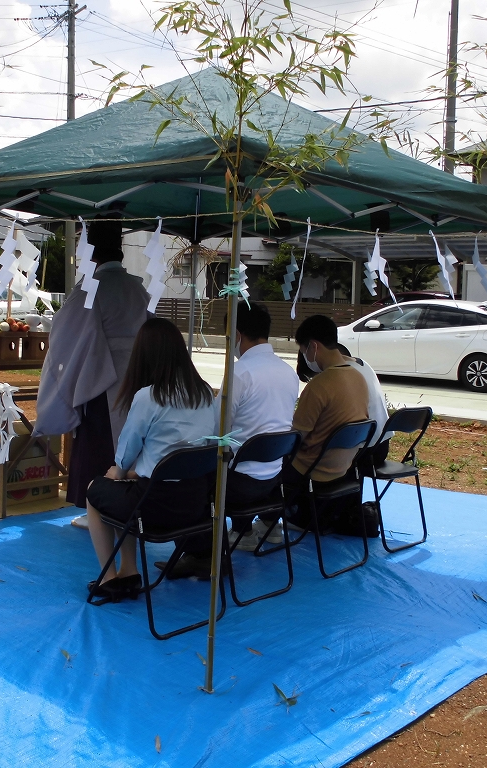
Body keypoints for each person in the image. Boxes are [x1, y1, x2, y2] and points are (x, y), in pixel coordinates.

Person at [84, 318, 217, 601]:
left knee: (96, 493)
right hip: (195, 505)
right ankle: (128, 571)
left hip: (154, 508)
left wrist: (119, 472)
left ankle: (110, 578)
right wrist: (131, 473)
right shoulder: (205, 392)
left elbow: (128, 447)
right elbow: (203, 448)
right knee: (127, 490)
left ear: (144, 355)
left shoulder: (149, 396)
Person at [167, 302, 300, 578]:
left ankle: (200, 554)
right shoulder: (288, 372)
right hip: (274, 479)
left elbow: (216, 431)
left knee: (186, 481)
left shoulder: (240, 373)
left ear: (236, 335)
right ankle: (241, 530)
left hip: (238, 486)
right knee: (235, 457)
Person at [34, 216, 150, 512]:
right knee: (130, 441)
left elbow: (64, 331)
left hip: (101, 377)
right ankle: (125, 503)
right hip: (137, 376)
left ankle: (98, 508)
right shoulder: (138, 289)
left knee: (99, 446)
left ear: (92, 253)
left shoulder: (91, 289)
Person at [283, 315, 369, 530]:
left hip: (311, 470)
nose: (305, 356)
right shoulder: (359, 377)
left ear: (313, 346)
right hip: (342, 467)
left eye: (303, 350)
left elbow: (297, 438)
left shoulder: (319, 385)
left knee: (261, 463)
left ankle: (267, 523)